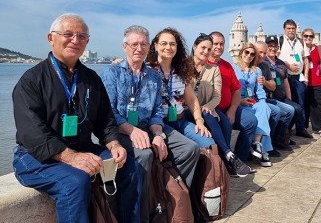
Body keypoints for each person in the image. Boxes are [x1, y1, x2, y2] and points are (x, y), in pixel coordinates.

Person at [12, 13, 141, 223]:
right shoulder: (31, 80)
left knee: (130, 167)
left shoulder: (91, 78)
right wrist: (70, 157)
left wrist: (114, 143)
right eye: (68, 34)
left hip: (81, 147)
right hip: (34, 157)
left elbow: (105, 119)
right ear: (50, 38)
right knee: (74, 181)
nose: (75, 40)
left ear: (87, 42)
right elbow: (32, 132)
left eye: (81, 36)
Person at [101, 25, 200, 222]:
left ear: (149, 48)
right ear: (124, 46)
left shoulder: (153, 77)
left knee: (190, 149)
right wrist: (131, 130)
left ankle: (170, 198)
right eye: (134, 44)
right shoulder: (112, 73)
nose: (139, 48)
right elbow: (107, 112)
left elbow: (156, 112)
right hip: (121, 128)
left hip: (148, 127)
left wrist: (158, 134)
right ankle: (144, 215)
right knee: (144, 154)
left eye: (143, 44)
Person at [191, 33, 252, 177]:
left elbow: (218, 95)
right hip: (190, 110)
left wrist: (211, 107)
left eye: (220, 44)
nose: (207, 51)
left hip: (212, 108)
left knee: (224, 121)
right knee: (213, 117)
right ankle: (229, 155)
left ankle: (231, 161)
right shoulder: (184, 67)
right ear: (195, 47)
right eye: (204, 47)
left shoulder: (216, 69)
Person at [145, 27, 215, 148]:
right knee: (188, 147)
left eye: (172, 44)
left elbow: (192, 100)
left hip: (180, 120)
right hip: (160, 124)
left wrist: (199, 121)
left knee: (208, 143)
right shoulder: (147, 71)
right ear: (156, 45)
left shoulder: (180, 71)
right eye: (164, 43)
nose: (168, 47)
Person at [207, 31, 258, 165]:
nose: (218, 47)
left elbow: (236, 91)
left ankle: (240, 159)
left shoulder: (227, 65)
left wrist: (233, 109)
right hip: (212, 109)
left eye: (221, 44)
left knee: (251, 121)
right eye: (215, 44)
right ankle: (227, 162)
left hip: (229, 107)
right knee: (226, 125)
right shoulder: (203, 63)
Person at [232, 42, 273, 167]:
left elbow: (260, 90)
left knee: (264, 108)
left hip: (252, 102)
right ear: (241, 52)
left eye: (252, 54)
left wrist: (261, 102)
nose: (249, 56)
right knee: (261, 118)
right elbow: (231, 90)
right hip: (239, 102)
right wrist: (240, 101)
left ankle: (256, 143)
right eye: (247, 52)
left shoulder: (257, 70)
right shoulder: (233, 68)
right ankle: (264, 151)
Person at [256, 40, 295, 151]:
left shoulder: (265, 66)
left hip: (268, 98)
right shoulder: (251, 66)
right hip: (257, 100)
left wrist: (265, 82)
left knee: (290, 110)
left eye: (264, 52)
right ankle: (267, 145)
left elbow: (273, 86)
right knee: (276, 111)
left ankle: (277, 140)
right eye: (260, 52)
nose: (262, 55)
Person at [278, 19, 313, 138]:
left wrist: (306, 76)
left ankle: (300, 128)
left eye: (293, 28)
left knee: (300, 103)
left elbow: (306, 60)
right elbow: (275, 58)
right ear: (284, 30)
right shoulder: (280, 41)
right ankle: (285, 130)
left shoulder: (301, 42)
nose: (291, 30)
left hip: (298, 78)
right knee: (287, 104)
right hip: (284, 78)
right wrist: (288, 66)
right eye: (288, 28)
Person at [302, 28, 321, 136]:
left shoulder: (319, 50)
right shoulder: (299, 49)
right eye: (306, 36)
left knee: (317, 106)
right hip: (303, 83)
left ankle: (318, 127)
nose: (308, 38)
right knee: (304, 105)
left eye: (310, 36)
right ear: (302, 37)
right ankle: (303, 127)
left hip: (318, 82)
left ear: (313, 37)